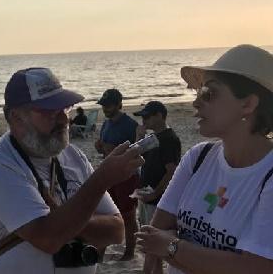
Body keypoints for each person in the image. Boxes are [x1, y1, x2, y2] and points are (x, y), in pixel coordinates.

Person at [0, 68, 143, 274]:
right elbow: (48, 238)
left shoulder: (72, 156)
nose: (64, 119)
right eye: (49, 112)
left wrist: (63, 219)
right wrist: (102, 179)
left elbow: (116, 231)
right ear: (15, 117)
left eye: (65, 108)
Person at [138, 45, 273, 274]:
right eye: (198, 93)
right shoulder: (198, 157)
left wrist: (170, 245)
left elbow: (257, 267)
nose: (196, 103)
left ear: (248, 104)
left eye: (209, 94)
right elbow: (154, 233)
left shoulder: (267, 175)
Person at [94, 88, 140, 261]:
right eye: (103, 105)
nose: (105, 109)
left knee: (128, 216)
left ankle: (129, 253)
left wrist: (115, 150)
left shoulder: (130, 125)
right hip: (109, 175)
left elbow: (139, 152)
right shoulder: (106, 123)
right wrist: (100, 146)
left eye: (109, 105)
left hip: (127, 176)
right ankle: (100, 252)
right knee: (106, 214)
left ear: (119, 104)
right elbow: (105, 148)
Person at [132, 101, 181, 226]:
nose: (143, 120)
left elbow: (172, 171)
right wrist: (138, 136)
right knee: (144, 231)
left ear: (159, 116)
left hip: (158, 199)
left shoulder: (168, 139)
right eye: (142, 117)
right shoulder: (153, 137)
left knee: (152, 235)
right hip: (146, 194)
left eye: (147, 117)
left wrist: (154, 194)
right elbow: (135, 157)